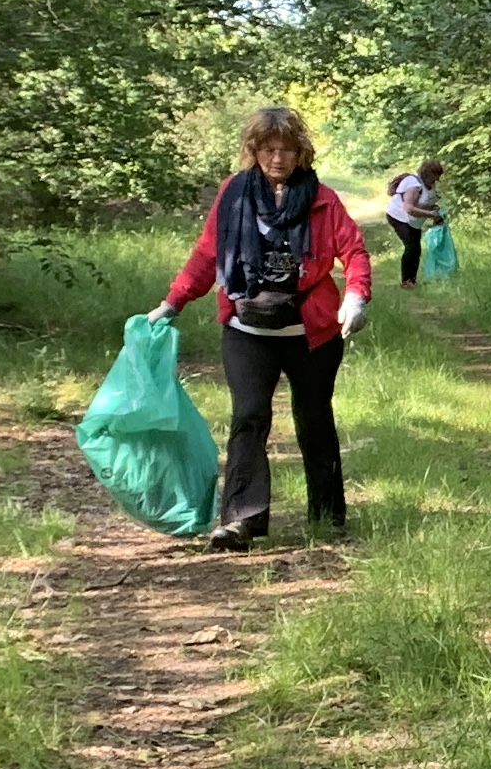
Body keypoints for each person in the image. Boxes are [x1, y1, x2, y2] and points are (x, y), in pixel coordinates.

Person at [156, 103, 370, 551]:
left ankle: (328, 518)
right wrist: (171, 303)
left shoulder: (323, 199)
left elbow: (354, 252)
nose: (278, 159)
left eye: (287, 150)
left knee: (314, 421)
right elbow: (206, 256)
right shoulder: (233, 194)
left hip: (310, 335)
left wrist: (354, 297)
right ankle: (241, 520)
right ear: (253, 150)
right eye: (268, 149)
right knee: (248, 417)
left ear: (301, 153)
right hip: (247, 330)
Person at [383, 158, 446, 288]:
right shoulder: (413, 184)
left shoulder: (430, 185)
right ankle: (406, 282)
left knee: (416, 250)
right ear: (427, 173)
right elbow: (409, 208)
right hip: (398, 217)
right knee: (411, 247)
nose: (437, 180)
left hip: (413, 221)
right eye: (435, 176)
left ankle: (412, 280)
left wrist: (434, 211)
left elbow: (423, 204)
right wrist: (430, 215)